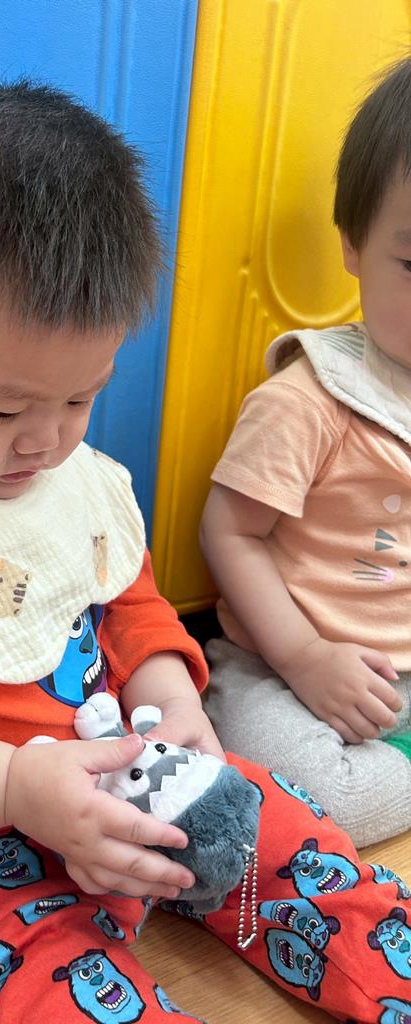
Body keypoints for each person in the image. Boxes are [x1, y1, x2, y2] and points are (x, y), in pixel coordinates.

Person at [0, 81, 411, 1023]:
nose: (47, 442)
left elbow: (130, 605)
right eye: (3, 409)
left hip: (137, 781)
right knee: (45, 988)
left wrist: (173, 703)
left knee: (296, 854)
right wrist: (15, 787)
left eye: (80, 397)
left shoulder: (73, 477)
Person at [200, 57, 411, 849]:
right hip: (283, 668)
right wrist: (304, 655)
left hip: (396, 678)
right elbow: (229, 531)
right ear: (352, 245)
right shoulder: (310, 398)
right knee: (319, 801)